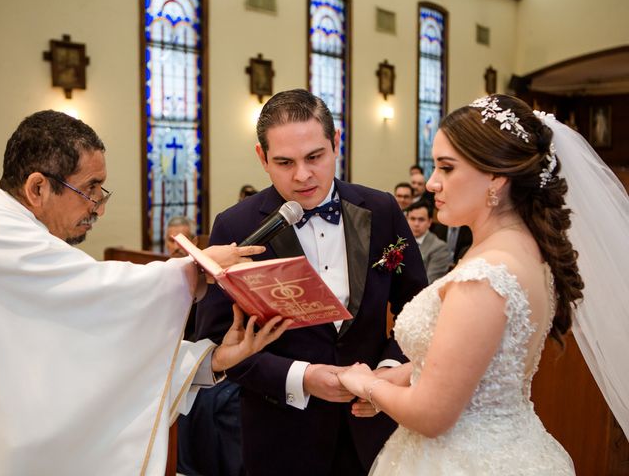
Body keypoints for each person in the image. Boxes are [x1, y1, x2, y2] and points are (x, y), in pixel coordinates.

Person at [336, 93, 628, 475]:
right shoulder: (525, 248)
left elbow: (431, 415)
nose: (433, 184)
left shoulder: (487, 274)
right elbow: (483, 362)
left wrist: (366, 383)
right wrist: (405, 374)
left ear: (495, 176)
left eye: (447, 168)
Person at [0, 110, 290, 475]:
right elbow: (100, 291)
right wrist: (197, 269)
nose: (98, 205)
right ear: (38, 188)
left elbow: (89, 350)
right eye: (89, 188)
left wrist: (209, 361)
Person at [195, 88, 428, 476]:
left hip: (375, 427)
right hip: (282, 436)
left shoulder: (381, 209)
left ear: (335, 144)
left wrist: (387, 375)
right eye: (284, 162)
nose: (302, 175)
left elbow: (418, 308)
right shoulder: (236, 226)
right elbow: (219, 341)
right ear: (262, 158)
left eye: (314, 157)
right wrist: (302, 378)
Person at [405, 200, 451, 283]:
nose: (416, 224)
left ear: (429, 222)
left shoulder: (439, 248)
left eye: (421, 219)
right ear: (406, 219)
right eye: (412, 219)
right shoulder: (399, 240)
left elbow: (429, 282)